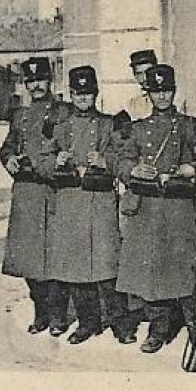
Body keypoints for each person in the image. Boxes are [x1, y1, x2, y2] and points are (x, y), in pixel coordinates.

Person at [114, 63, 196, 354]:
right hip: (148, 208)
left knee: (185, 269)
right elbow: (121, 161)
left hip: (179, 206)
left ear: (174, 91)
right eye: (156, 91)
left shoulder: (190, 125)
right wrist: (134, 169)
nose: (162, 96)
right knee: (152, 272)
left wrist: (190, 168)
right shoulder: (138, 130)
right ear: (148, 94)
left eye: (167, 90)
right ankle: (157, 329)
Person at [47, 66, 134, 345]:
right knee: (77, 268)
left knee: (108, 265)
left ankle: (121, 324)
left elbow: (123, 154)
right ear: (70, 95)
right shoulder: (60, 128)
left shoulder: (110, 125)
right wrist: (56, 160)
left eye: (88, 93)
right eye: (78, 93)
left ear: (95, 93)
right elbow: (41, 155)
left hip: (100, 202)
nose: (83, 98)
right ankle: (88, 323)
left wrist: (104, 160)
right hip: (71, 201)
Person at [1, 57, 65, 336]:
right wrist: (9, 160)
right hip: (26, 194)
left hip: (53, 193)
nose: (36, 86)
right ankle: (41, 313)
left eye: (40, 80)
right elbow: (7, 147)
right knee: (29, 258)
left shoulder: (64, 112)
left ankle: (59, 315)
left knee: (54, 256)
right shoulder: (20, 115)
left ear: (50, 80)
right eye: (30, 81)